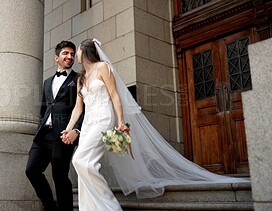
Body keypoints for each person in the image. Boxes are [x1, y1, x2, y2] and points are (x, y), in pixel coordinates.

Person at [61, 38, 249, 211]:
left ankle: (109, 206)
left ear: (85, 51)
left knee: (81, 160)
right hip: (87, 124)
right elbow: (78, 108)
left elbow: (115, 95)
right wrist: (68, 128)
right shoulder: (81, 78)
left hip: (103, 119)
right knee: (84, 165)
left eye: (76, 51)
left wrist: (119, 121)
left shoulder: (103, 68)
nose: (74, 55)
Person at [25, 41, 83, 211]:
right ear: (56, 57)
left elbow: (83, 109)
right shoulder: (47, 82)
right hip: (43, 135)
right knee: (31, 170)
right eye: (66, 53)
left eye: (72, 54)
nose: (70, 57)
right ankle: (50, 206)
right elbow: (43, 109)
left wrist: (76, 131)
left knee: (60, 177)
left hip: (63, 135)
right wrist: (39, 127)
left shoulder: (78, 79)